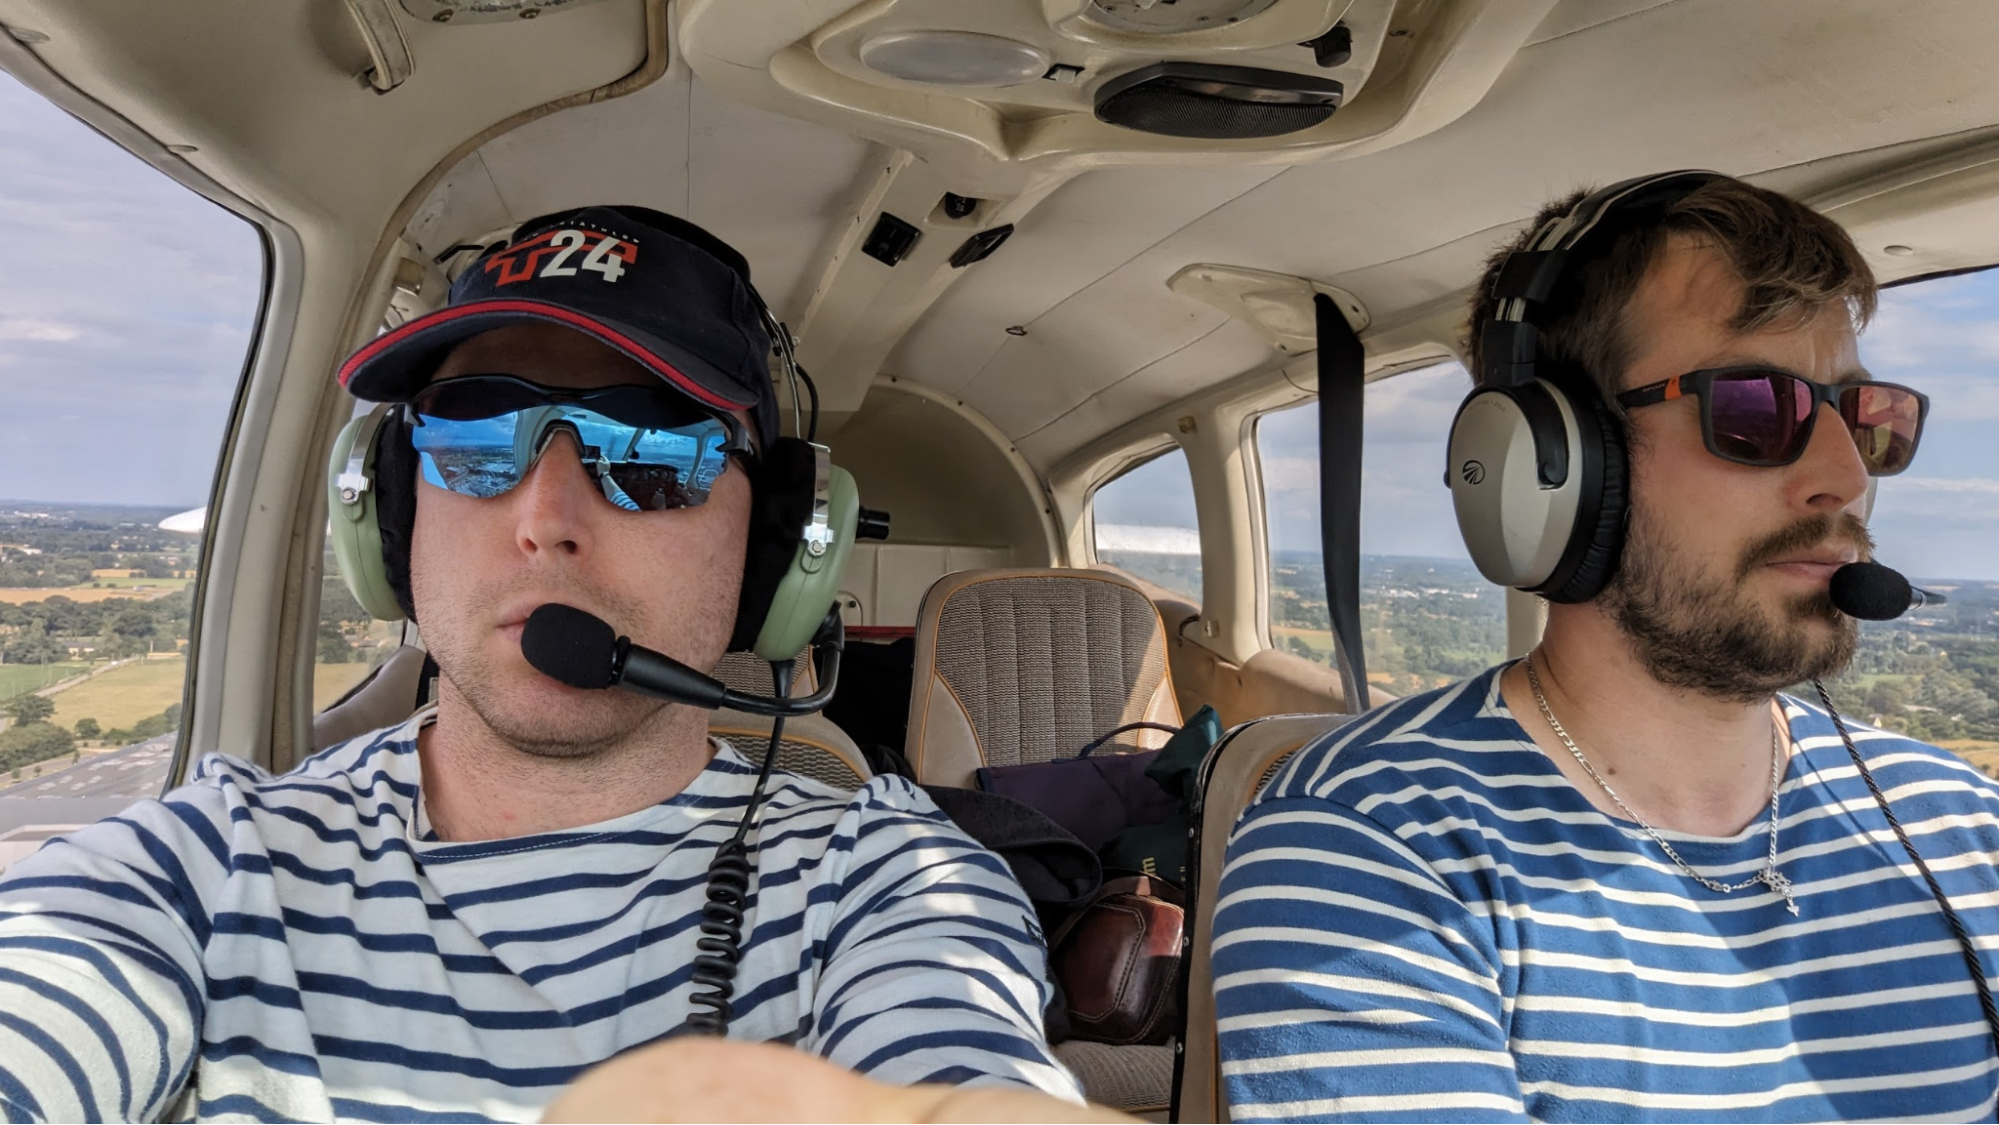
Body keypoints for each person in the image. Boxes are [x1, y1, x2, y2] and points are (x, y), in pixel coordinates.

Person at [0, 206, 1088, 1122]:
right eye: (472, 441)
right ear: (389, 515)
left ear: (779, 550)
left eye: (653, 455)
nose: (545, 519)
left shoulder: (887, 881)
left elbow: (954, 1057)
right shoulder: (205, 865)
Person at [1212, 173, 1999, 1121]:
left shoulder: (1962, 824)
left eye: (1866, 420)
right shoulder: (1369, 850)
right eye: (1756, 410)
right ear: (1552, 464)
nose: (1841, 478)